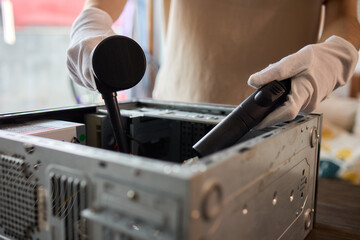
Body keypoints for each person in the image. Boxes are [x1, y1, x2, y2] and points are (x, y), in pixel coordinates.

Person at [67, 0, 360, 127]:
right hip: (174, 107)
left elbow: (343, 11)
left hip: (280, 116)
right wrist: (91, 21)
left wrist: (334, 55)